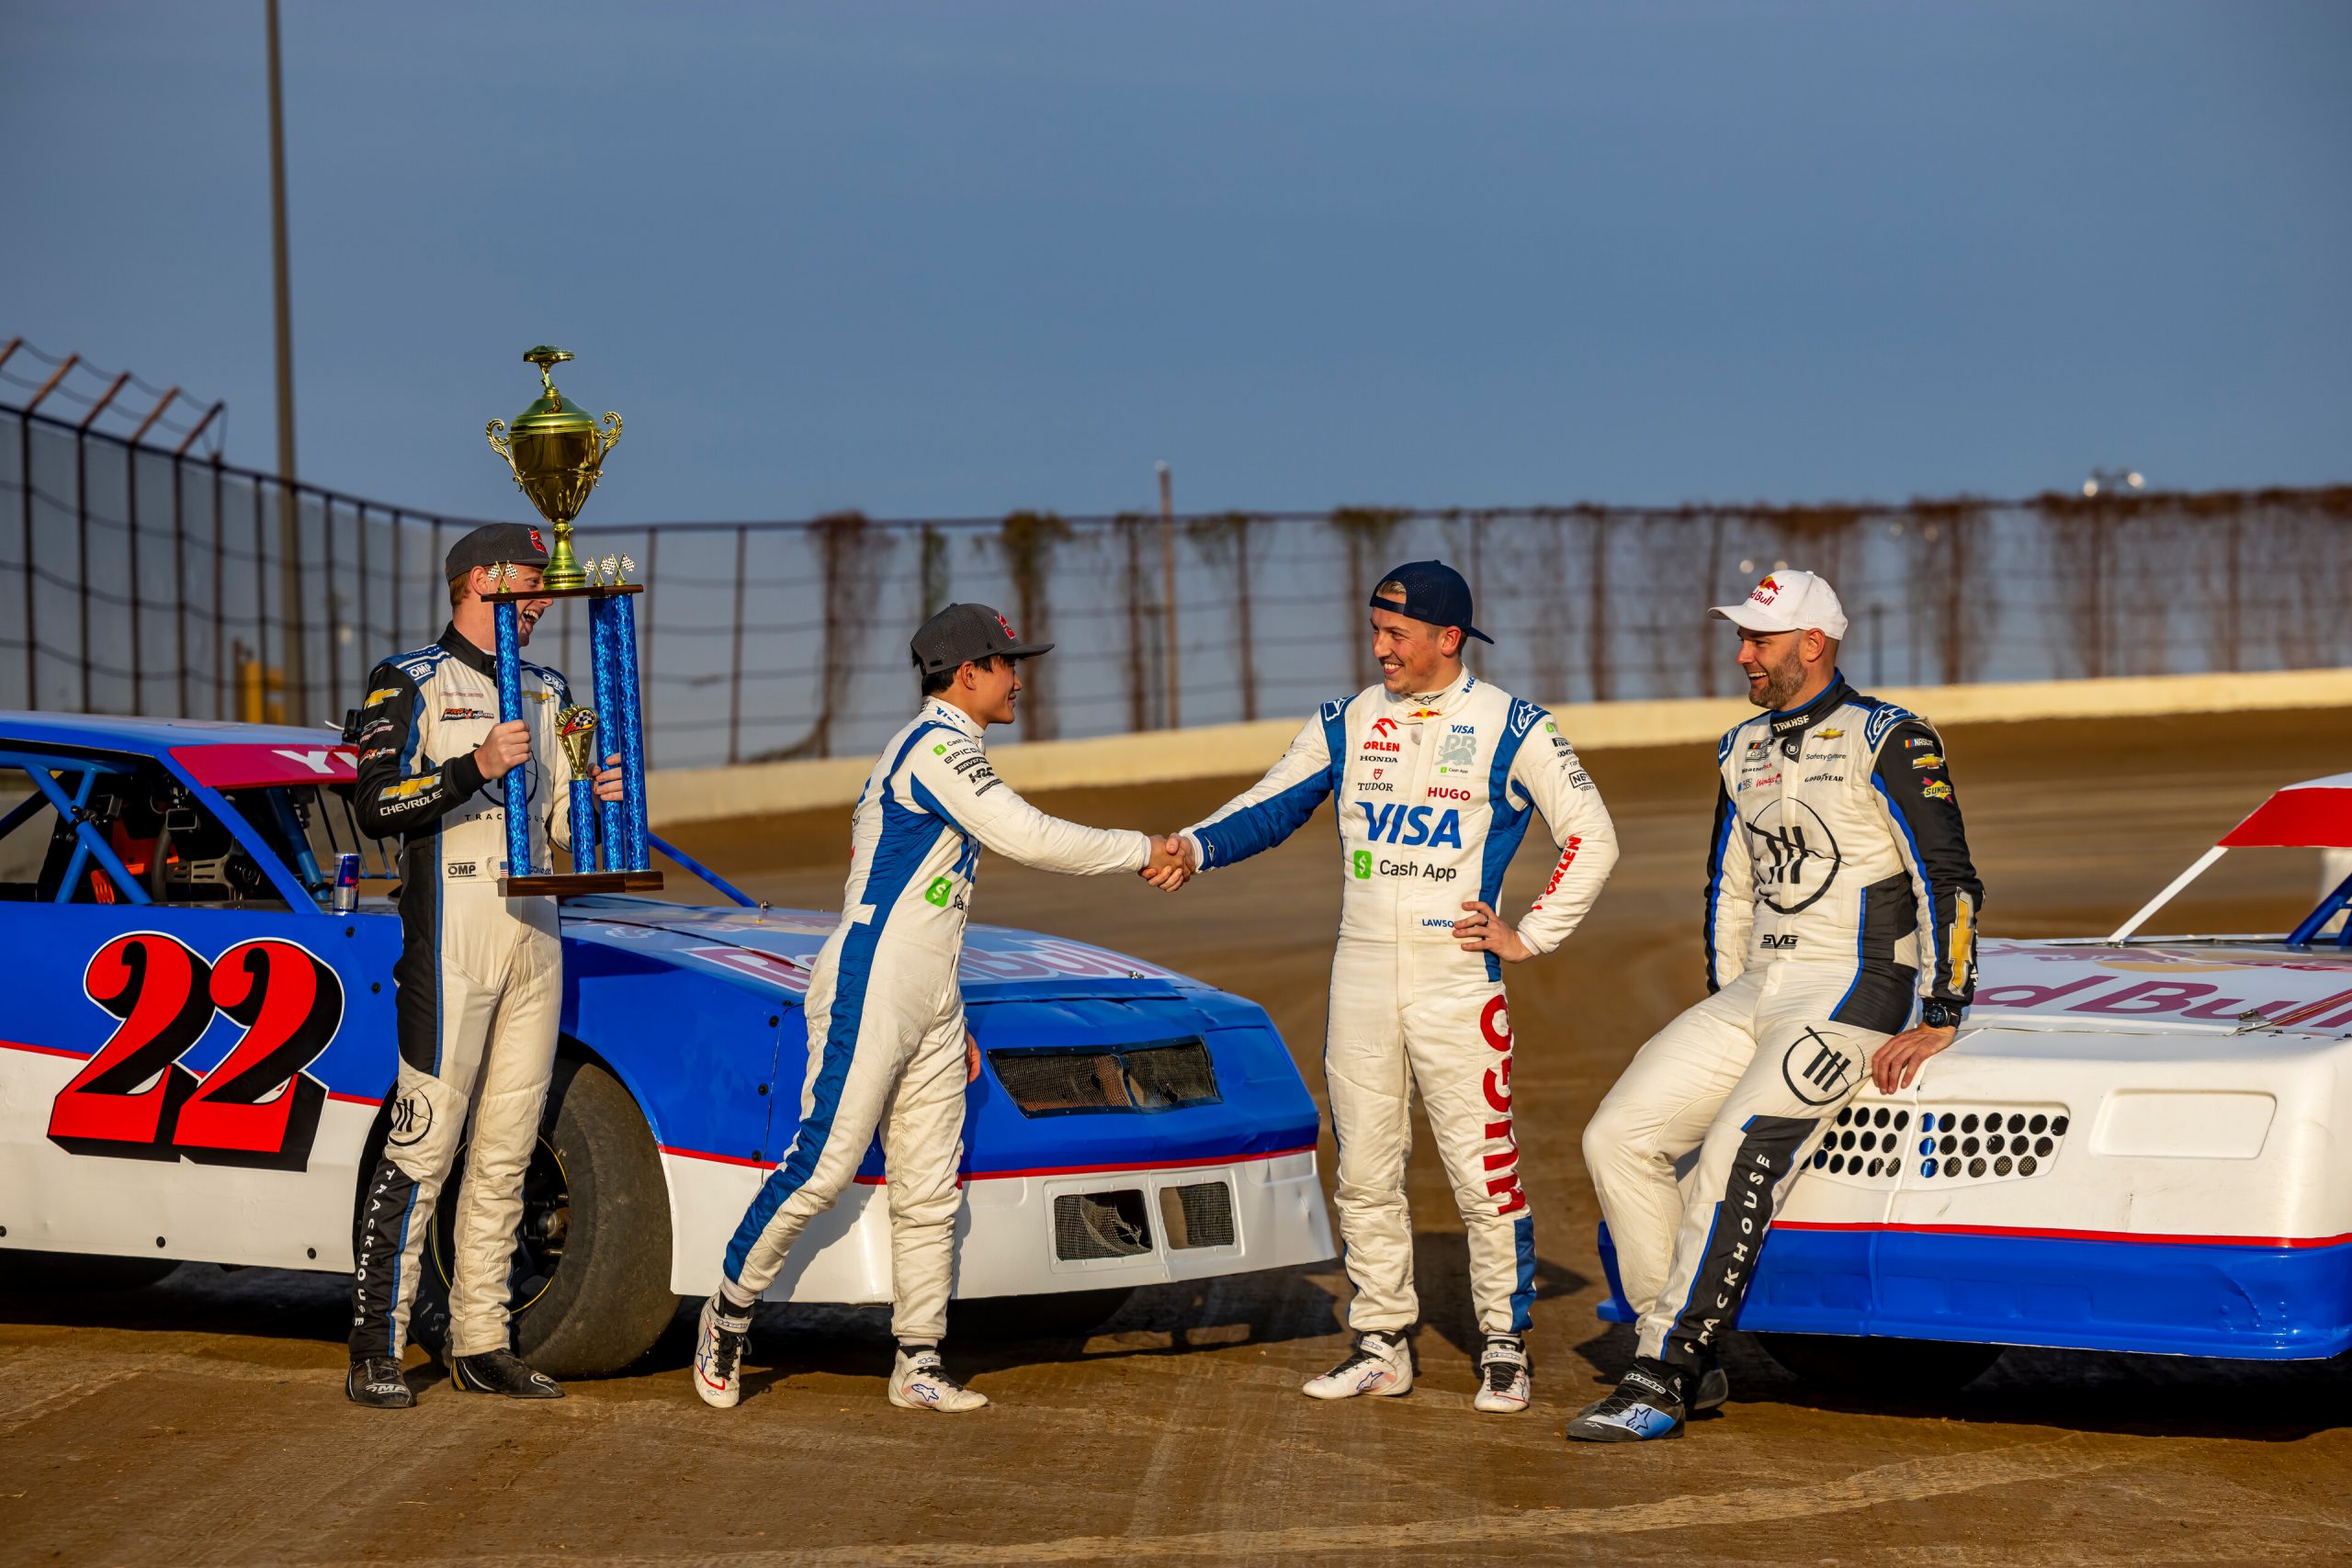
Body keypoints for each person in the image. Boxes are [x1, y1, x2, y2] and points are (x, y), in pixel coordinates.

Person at [691, 603, 1188, 1414]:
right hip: (873, 978)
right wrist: (1141, 849)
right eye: (1007, 664)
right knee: (823, 1166)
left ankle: (918, 1359)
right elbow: (1029, 836)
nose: (1019, 678)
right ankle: (727, 1313)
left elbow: (939, 901)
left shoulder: (951, 748)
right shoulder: (936, 748)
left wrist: (944, 1011)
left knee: (930, 1186)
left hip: (925, 989)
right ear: (968, 674)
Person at [1148, 560, 1618, 1414]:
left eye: (1396, 634)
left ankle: (1503, 1344)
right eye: (1374, 630)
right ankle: (1381, 1341)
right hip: (1359, 972)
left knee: (1485, 1173)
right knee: (1364, 1169)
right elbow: (1271, 802)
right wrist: (1193, 845)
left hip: (1456, 979)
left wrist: (1531, 933)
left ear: (1448, 638)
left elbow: (1593, 835)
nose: (1379, 648)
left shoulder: (1515, 725)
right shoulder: (1348, 719)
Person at [1568, 570, 1984, 1442]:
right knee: (1618, 1136)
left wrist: (1943, 1006)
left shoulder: (1891, 737)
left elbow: (1946, 877)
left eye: (1759, 640)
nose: (1742, 655)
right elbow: (1728, 886)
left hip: (1855, 990)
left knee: (1730, 1148)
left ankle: (1664, 1374)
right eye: (1742, 638)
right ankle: (1673, 1342)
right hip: (1757, 988)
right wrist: (1729, 999)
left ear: (1813, 643)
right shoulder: (1739, 747)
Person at [345, 523, 624, 1408]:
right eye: (528, 581)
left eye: (546, 583)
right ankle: (375, 1348)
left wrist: (595, 801)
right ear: (476, 580)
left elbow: (555, 837)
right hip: (452, 938)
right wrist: (473, 764)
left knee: (507, 1150)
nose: (542, 598)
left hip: (536, 930)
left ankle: (482, 1342)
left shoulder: (549, 689)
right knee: (426, 1139)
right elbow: (374, 804)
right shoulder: (410, 679)